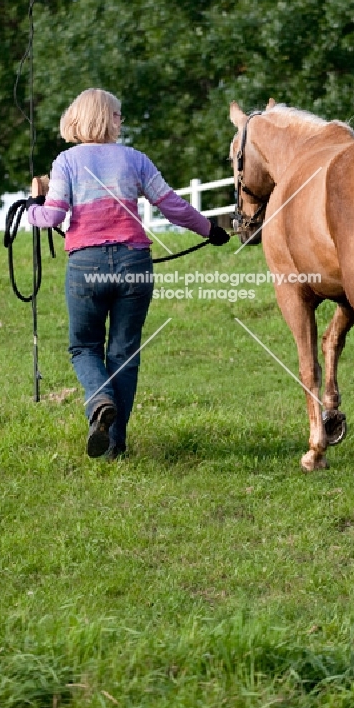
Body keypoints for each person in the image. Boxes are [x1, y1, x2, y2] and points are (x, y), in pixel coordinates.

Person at [27, 88, 230, 460]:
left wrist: (30, 209)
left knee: (84, 347)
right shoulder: (135, 160)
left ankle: (99, 400)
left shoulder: (66, 161)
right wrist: (210, 230)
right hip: (134, 264)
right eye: (118, 115)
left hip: (86, 265)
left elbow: (52, 216)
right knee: (124, 353)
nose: (121, 121)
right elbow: (172, 206)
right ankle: (115, 447)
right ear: (104, 118)